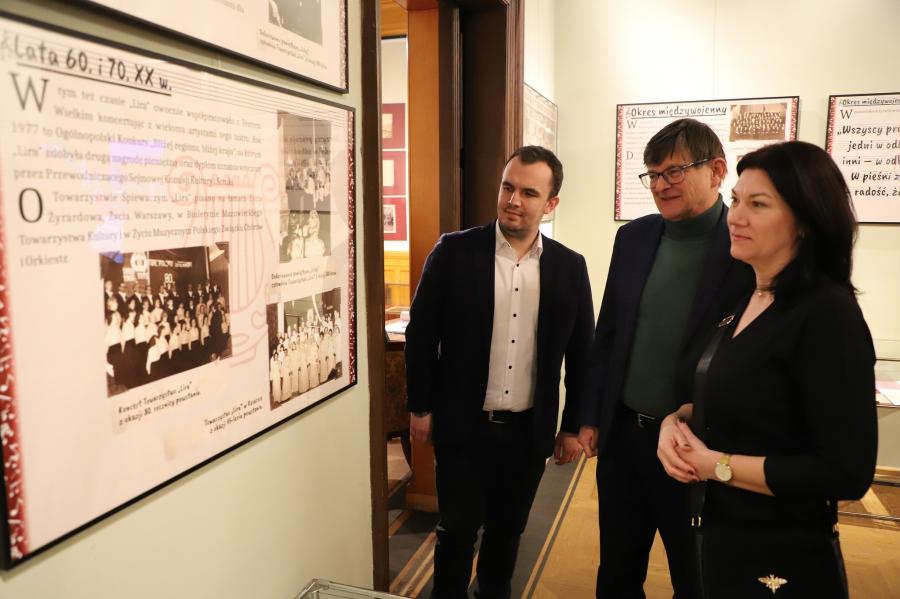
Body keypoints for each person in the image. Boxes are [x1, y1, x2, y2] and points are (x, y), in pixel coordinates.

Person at [657, 141, 877, 598]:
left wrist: (716, 466)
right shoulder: (747, 298)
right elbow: (741, 402)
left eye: (758, 205)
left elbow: (846, 472)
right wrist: (674, 422)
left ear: (805, 221)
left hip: (779, 550)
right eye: (736, 200)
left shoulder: (827, 314)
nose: (735, 217)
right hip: (719, 535)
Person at [405, 145, 594, 599]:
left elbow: (582, 353)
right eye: (508, 187)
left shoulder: (569, 267)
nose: (513, 200)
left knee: (508, 534)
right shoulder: (454, 252)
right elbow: (421, 333)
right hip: (463, 425)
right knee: (456, 531)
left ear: (551, 204)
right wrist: (421, 406)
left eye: (529, 193)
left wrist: (572, 426)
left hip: (527, 431)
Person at [577, 119, 750, 598]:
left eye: (674, 172)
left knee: (695, 578)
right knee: (616, 573)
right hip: (624, 441)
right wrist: (590, 415)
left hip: (696, 446)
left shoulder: (742, 247)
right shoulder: (634, 238)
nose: (659, 185)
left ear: (717, 171)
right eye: (652, 175)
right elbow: (608, 335)